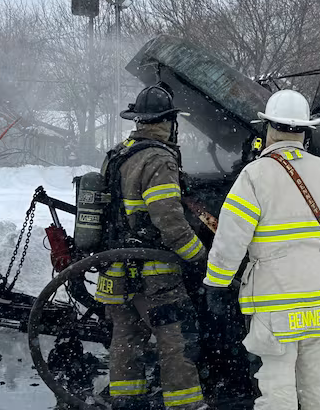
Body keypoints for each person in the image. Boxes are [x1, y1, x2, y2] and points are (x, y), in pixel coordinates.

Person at [203, 89, 320, 410]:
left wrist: (216, 284)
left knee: (276, 378)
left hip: (277, 304)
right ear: (305, 132)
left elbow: (231, 238)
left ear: (268, 129)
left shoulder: (254, 175)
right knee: (319, 370)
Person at [94, 85, 209, 410]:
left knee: (126, 339)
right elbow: (169, 222)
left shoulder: (117, 153)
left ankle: (127, 402)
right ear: (168, 122)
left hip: (116, 271)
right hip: (154, 275)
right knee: (176, 342)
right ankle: (185, 405)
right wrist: (199, 259)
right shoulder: (158, 159)